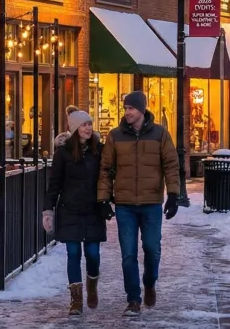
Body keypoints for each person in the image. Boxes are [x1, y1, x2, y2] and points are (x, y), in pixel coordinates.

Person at [97, 91, 180, 317]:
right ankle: (133, 299)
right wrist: (103, 198)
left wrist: (173, 195)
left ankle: (150, 282)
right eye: (125, 109)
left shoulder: (160, 134)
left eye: (131, 108)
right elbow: (106, 169)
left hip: (151, 202)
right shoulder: (115, 136)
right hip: (124, 205)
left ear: (142, 110)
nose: (127, 112)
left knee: (152, 249)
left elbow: (171, 165)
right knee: (128, 254)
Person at [43, 107, 112, 316]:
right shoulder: (62, 154)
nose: (88, 128)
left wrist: (108, 199)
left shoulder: (99, 151)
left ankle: (92, 286)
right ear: (74, 128)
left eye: (90, 124)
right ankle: (76, 300)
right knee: (73, 254)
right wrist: (48, 210)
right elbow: (54, 184)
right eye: (84, 124)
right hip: (69, 210)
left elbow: (107, 177)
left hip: (92, 210)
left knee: (93, 254)